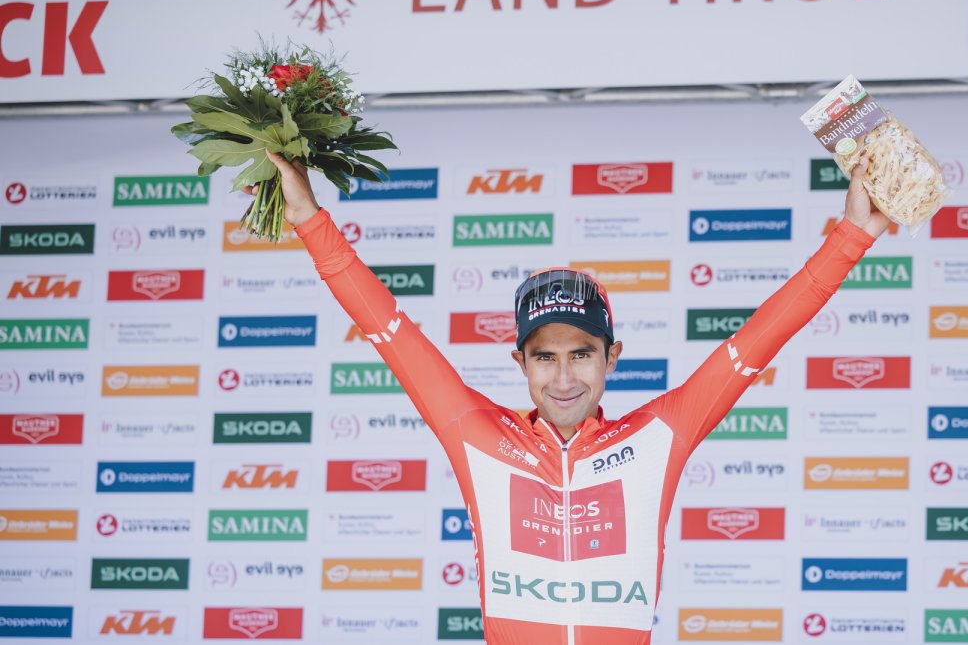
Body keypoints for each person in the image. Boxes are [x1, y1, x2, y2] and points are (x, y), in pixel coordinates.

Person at [250, 152, 888, 645]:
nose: (563, 379)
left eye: (581, 354)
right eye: (545, 357)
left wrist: (851, 235)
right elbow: (386, 327)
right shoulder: (477, 433)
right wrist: (308, 216)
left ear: (612, 358)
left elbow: (762, 336)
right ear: (520, 363)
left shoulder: (659, 434)